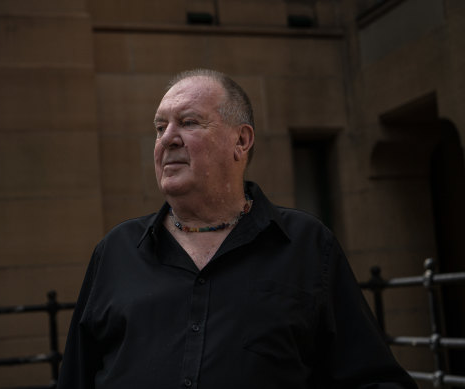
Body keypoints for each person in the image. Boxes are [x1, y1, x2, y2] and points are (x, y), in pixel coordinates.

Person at [57, 69, 417, 388]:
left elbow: (375, 379)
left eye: (190, 122)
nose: (168, 138)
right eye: (159, 127)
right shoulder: (116, 252)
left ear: (241, 141)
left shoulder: (306, 245)